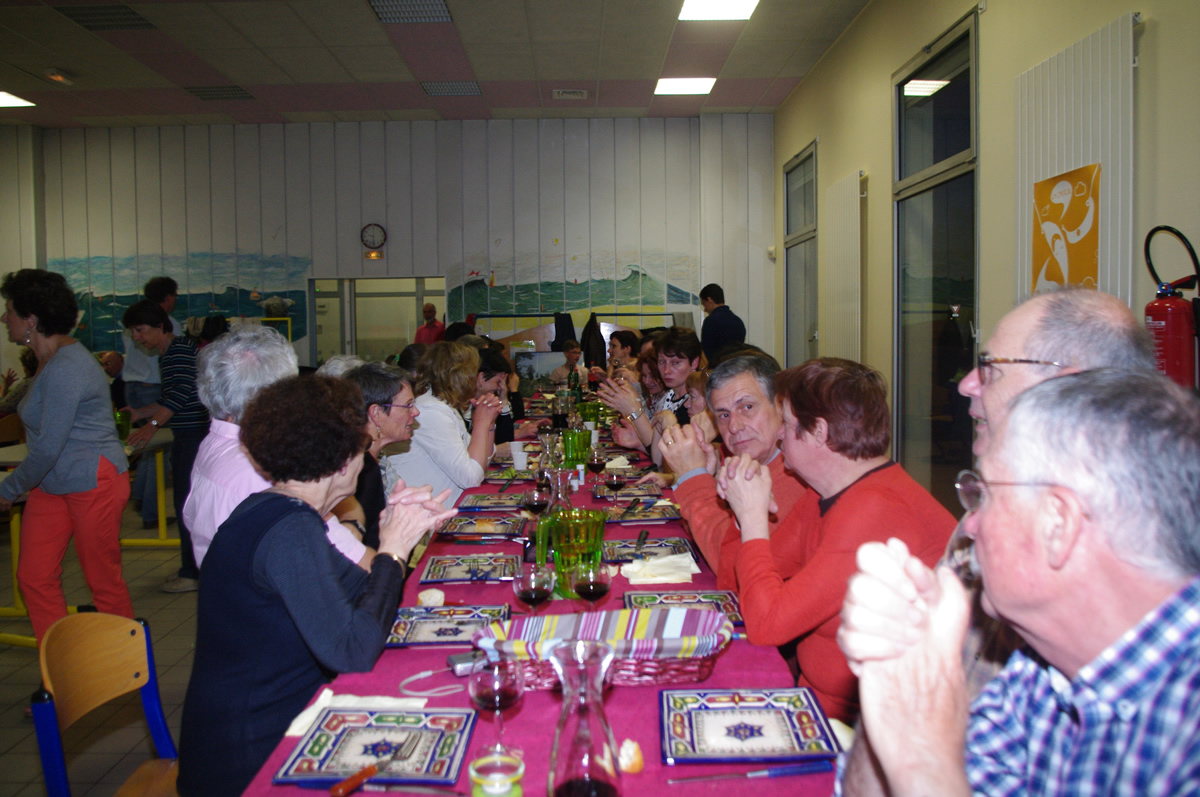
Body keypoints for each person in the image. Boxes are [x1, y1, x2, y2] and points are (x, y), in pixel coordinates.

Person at [836, 369, 1200, 796]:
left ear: (1057, 524)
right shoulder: (1042, 672)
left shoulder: (1187, 728)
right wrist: (895, 678)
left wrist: (924, 756)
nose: (970, 524)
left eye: (985, 494)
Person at [177, 375, 456, 796]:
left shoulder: (275, 510)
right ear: (343, 461)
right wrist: (393, 551)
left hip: (263, 726)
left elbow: (358, 592)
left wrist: (392, 534)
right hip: (253, 756)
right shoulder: (290, 531)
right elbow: (353, 651)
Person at [716, 358, 955, 722]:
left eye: (788, 424)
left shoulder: (877, 510)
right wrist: (742, 512)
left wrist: (752, 519)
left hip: (872, 727)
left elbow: (767, 625)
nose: (779, 435)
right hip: (814, 703)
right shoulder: (823, 493)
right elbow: (735, 585)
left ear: (819, 432)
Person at [948, 288, 1156, 695]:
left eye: (990, 367)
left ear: (1068, 388)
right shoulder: (983, 513)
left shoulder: (1132, 558)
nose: (968, 384)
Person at [0, 270, 133, 644]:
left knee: (102, 581)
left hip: (93, 480)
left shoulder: (67, 366)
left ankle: (126, 668)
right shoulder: (47, 360)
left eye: (9, 310)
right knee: (34, 576)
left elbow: (47, 447)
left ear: (31, 319)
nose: (4, 318)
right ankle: (61, 668)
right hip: (53, 482)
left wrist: (8, 488)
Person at [183, 326, 371, 570]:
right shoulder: (263, 465)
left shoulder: (214, 443)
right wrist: (355, 525)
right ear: (276, 395)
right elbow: (353, 563)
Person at [658, 354, 812, 589]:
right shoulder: (743, 462)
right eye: (724, 415)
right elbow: (701, 539)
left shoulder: (797, 475)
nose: (734, 426)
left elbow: (735, 571)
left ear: (780, 406)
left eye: (747, 407)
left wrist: (693, 478)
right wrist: (708, 480)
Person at [123, 299, 210, 592]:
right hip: (187, 434)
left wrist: (152, 425)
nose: (137, 337)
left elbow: (183, 392)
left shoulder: (178, 351)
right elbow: (170, 397)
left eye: (140, 330)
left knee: (186, 505)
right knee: (185, 503)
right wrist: (141, 413)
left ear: (160, 326)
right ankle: (190, 567)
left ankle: (192, 572)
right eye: (133, 332)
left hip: (194, 435)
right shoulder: (169, 353)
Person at [387, 341, 502, 505]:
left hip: (441, 507)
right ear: (461, 377)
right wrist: (481, 423)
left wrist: (489, 424)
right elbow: (471, 478)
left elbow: (482, 463)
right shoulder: (430, 411)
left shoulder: (444, 406)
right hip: (423, 513)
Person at [336, 363, 421, 550]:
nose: (416, 412)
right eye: (408, 405)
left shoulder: (374, 459)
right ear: (376, 413)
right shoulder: (361, 470)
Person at [122, 276, 180, 529]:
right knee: (158, 449)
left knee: (149, 446)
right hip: (151, 388)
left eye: (140, 333)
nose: (137, 338)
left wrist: (149, 420)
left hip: (132, 387)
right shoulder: (168, 327)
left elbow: (178, 394)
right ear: (168, 297)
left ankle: (141, 498)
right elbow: (176, 396)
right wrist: (152, 421)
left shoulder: (134, 322)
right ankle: (150, 510)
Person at [699, 283, 746, 363]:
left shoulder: (710, 321)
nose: (705, 309)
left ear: (709, 300)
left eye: (704, 304)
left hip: (717, 367)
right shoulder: (738, 321)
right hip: (735, 366)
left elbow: (706, 352)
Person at [0, 346, 38, 415]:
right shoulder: (46, 379)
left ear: (25, 368)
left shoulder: (27, 384)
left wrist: (4, 387)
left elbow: (2, 406)